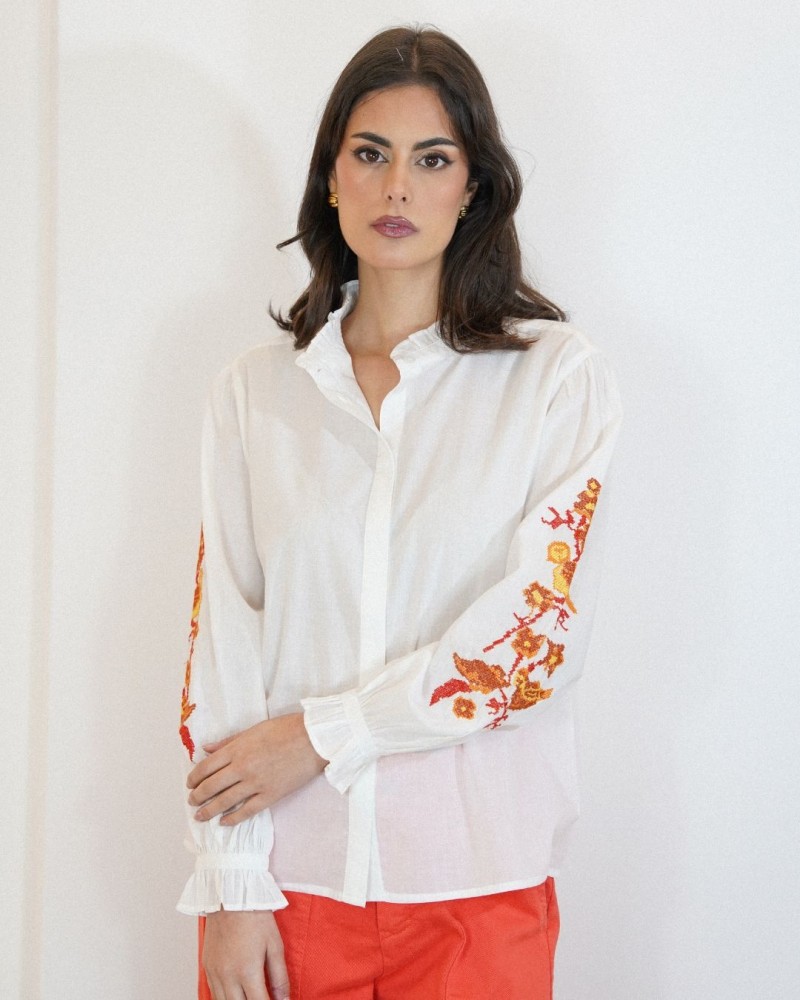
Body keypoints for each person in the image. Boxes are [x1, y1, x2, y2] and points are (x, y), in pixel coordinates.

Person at [177, 24, 621, 1000]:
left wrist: (322, 735)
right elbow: (225, 649)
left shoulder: (553, 380)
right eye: (370, 154)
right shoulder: (254, 395)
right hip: (285, 895)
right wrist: (231, 883)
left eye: (432, 160)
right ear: (330, 180)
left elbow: (536, 637)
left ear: (473, 187)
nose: (396, 190)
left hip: (478, 899)